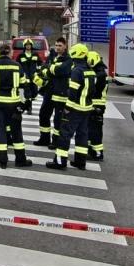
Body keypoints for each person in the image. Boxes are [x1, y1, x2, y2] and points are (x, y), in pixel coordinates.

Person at [47, 43, 95, 171]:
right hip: (86, 109)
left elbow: (73, 92)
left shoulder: (76, 71)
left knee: (64, 134)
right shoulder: (90, 71)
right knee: (82, 135)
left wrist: (67, 107)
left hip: (74, 109)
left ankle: (60, 161)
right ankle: (80, 162)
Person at [0, 44, 33, 169]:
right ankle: (20, 159)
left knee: (0, 130)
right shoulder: (17, 66)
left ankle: (2, 160)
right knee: (16, 131)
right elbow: (25, 85)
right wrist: (27, 102)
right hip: (13, 104)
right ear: (10, 53)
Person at [87, 51, 108, 161]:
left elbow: (92, 88)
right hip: (96, 105)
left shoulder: (99, 74)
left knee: (95, 131)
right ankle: (92, 150)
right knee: (91, 129)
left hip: (97, 105)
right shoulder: (100, 72)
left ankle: (98, 153)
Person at [17, 39, 41, 115]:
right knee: (28, 94)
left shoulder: (35, 54)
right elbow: (17, 66)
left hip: (34, 77)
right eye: (26, 45)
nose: (28, 46)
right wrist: (21, 75)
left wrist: (38, 72)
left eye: (29, 45)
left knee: (34, 93)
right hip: (25, 77)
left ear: (31, 45)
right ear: (24, 46)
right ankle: (29, 108)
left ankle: (26, 105)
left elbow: (40, 64)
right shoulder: (21, 56)